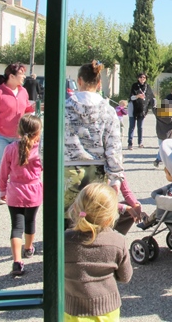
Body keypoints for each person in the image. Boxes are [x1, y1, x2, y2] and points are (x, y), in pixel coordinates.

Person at [64, 60, 124, 226]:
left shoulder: (64, 108)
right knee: (95, 222)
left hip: (67, 171)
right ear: (99, 83)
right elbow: (114, 147)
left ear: (79, 81)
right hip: (97, 173)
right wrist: (115, 178)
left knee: (67, 225)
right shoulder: (108, 111)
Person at [65, 183, 133, 321]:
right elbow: (125, 276)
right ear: (110, 217)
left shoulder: (64, 240)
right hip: (107, 310)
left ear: (77, 209)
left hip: (72, 309)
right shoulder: (117, 241)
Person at [0, 114, 43, 276]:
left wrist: (2, 190)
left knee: (16, 227)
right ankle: (28, 248)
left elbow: (3, 172)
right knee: (30, 222)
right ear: (38, 133)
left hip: (14, 192)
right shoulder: (39, 151)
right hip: (34, 191)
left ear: (19, 129)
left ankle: (17, 262)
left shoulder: (10, 149)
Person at [0, 62, 35, 205]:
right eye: (21, 73)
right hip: (0, 135)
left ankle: (16, 194)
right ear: (11, 76)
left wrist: (32, 109)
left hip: (19, 136)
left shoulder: (23, 91)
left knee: (20, 165)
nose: (24, 76)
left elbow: (27, 108)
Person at [127, 72, 154, 150]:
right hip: (133, 108)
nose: (142, 79)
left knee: (140, 127)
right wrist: (137, 96)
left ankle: (140, 142)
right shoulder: (134, 86)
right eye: (141, 77)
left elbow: (151, 98)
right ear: (138, 78)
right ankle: (130, 143)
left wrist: (151, 107)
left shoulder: (147, 87)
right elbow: (131, 97)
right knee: (132, 126)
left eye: (144, 78)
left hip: (142, 110)